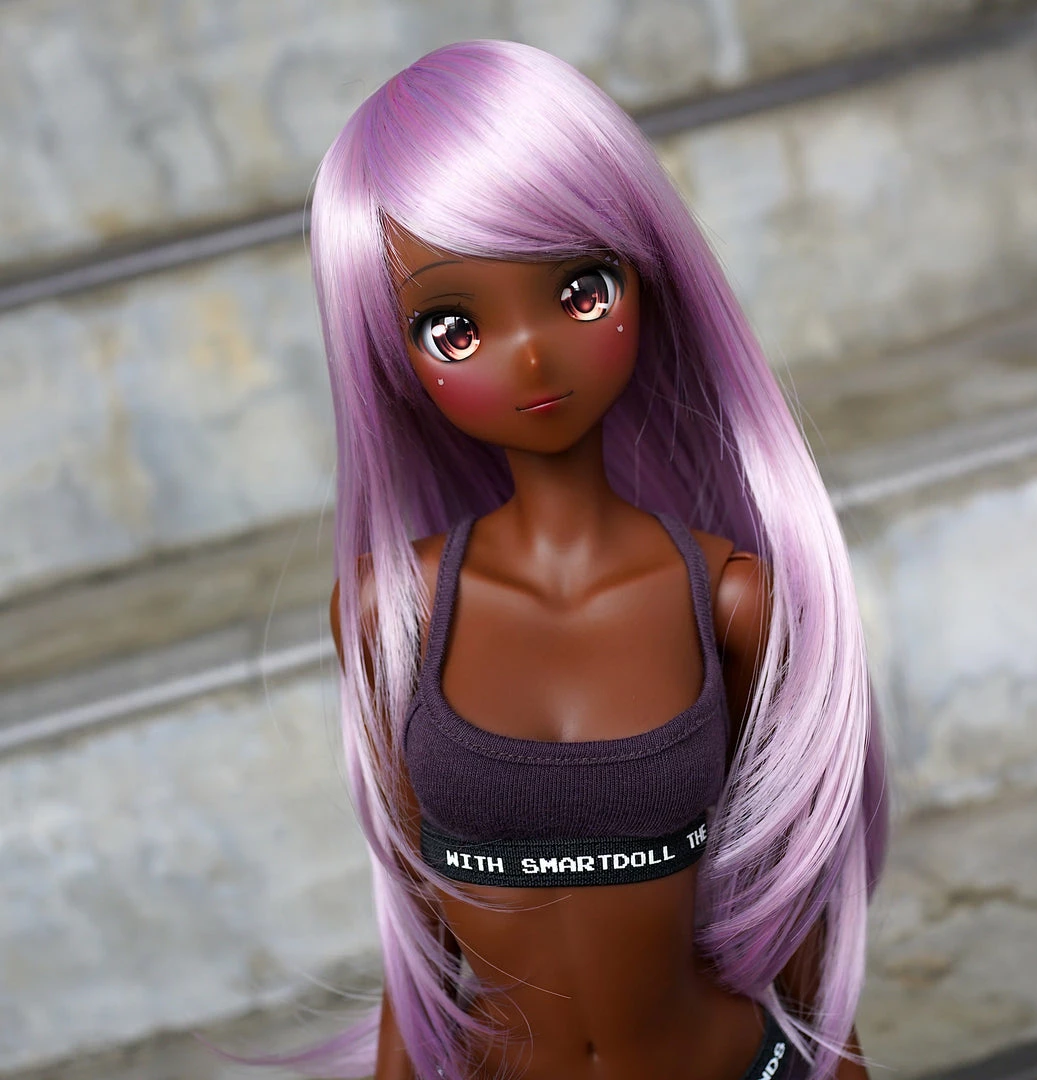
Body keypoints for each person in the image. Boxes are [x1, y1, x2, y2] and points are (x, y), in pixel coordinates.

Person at [301, 39, 888, 1080]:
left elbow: (793, 904)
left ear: (649, 282)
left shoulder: (733, 602)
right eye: (453, 327)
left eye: (580, 290)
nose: (531, 354)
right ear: (388, 355)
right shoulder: (393, 612)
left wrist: (838, 1063)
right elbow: (420, 933)